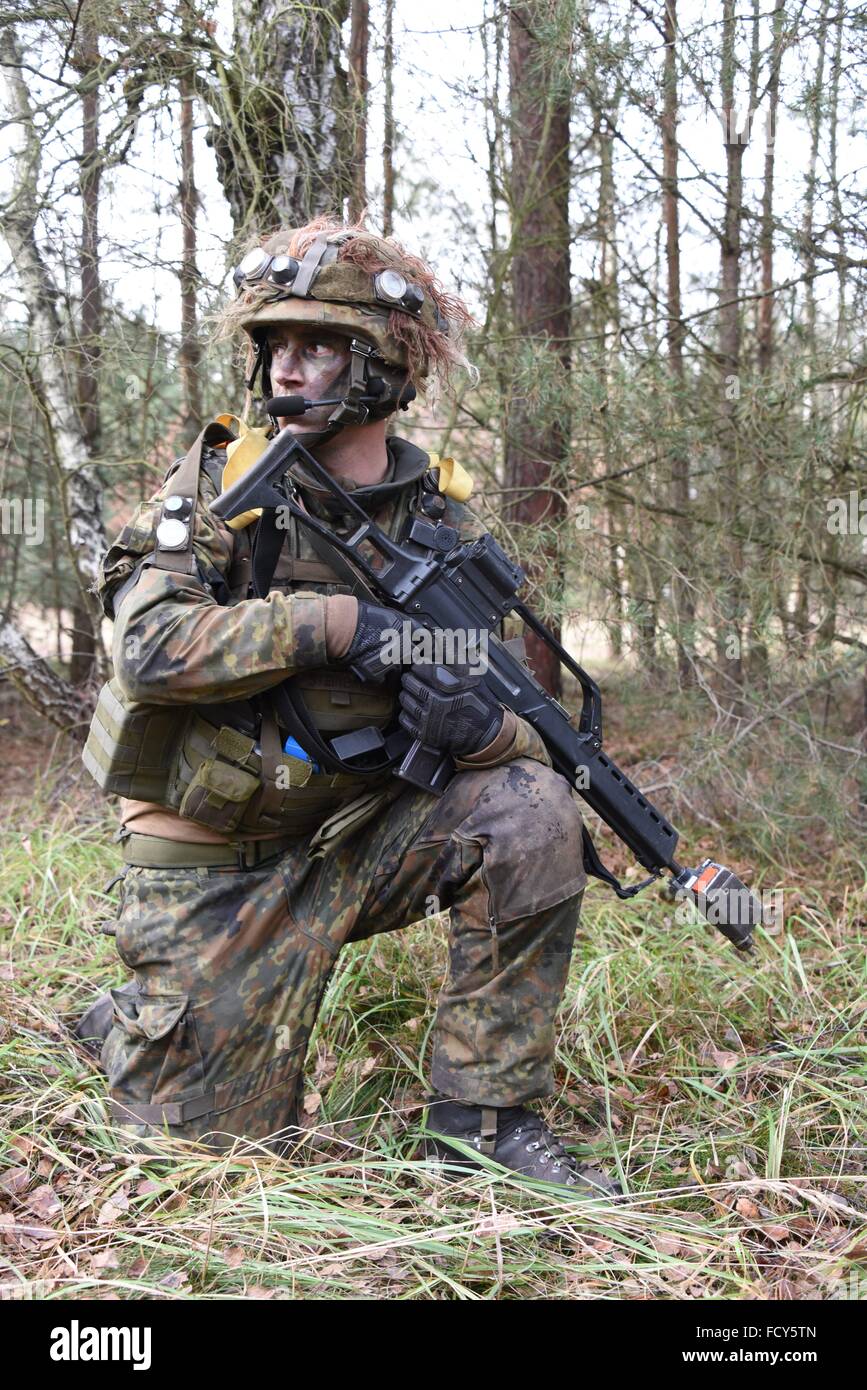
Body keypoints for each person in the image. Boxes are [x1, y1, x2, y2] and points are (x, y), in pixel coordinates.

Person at [77, 218, 620, 1198]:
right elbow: (152, 651)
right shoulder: (216, 486)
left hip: (355, 842)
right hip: (215, 868)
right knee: (216, 1173)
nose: (289, 368)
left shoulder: (439, 520)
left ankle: (484, 1121)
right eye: (278, 345)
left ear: (384, 365)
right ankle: (140, 1019)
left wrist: (480, 730)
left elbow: (489, 696)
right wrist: (334, 623)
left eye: (319, 346)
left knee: (534, 804)